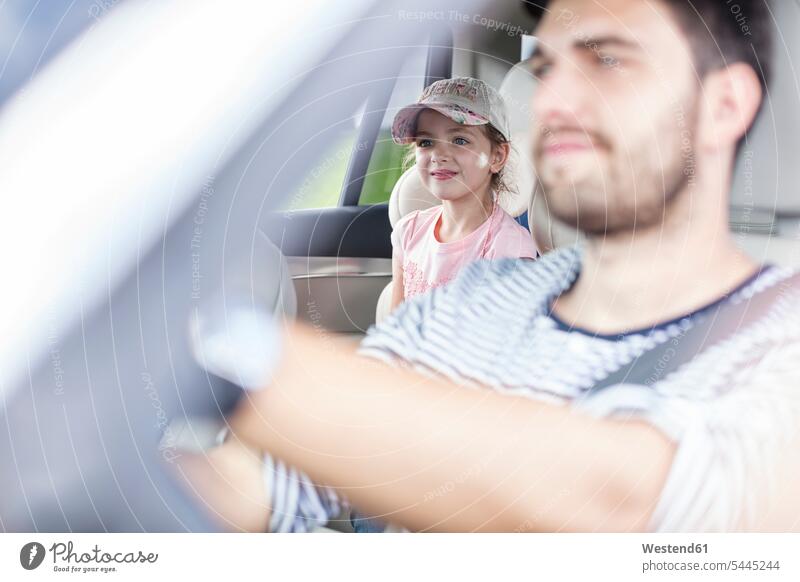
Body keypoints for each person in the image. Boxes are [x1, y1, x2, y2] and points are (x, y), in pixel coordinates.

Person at [178, 0, 800, 532]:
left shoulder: (782, 340)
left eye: (608, 59)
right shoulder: (470, 302)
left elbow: (621, 501)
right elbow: (273, 478)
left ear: (723, 106)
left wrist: (215, 340)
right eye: (545, 67)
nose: (550, 99)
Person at [388, 77, 538, 312]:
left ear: (496, 157)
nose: (438, 154)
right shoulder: (408, 232)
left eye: (459, 140)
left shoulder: (509, 249)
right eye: (426, 142)